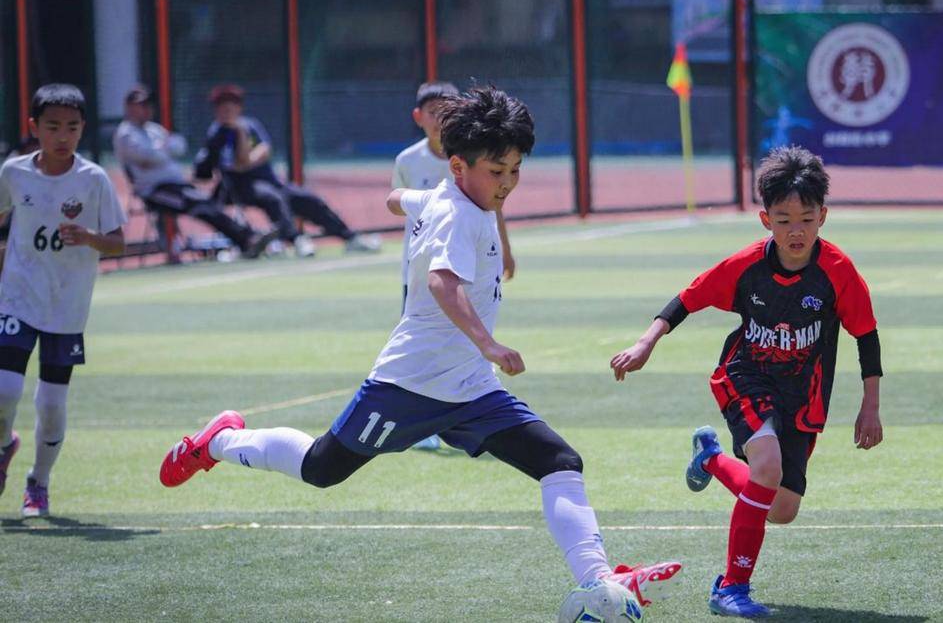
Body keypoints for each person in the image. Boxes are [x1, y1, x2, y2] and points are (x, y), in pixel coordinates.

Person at [159, 87, 682, 606]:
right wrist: (489, 344)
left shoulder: (451, 198)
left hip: (471, 390)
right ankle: (219, 442)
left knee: (559, 460)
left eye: (515, 169)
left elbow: (396, 199)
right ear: (458, 166)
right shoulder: (459, 215)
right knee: (321, 468)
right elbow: (441, 283)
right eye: (496, 171)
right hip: (409, 385)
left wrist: (413, 203)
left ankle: (598, 580)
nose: (507, 183)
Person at [611, 145, 884, 618]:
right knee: (768, 465)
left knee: (781, 508)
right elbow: (688, 298)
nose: (796, 230)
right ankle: (731, 588)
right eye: (783, 220)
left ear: (823, 216)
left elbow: (866, 336)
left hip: (802, 395)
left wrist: (870, 406)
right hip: (746, 376)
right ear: (765, 220)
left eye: (806, 219)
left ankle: (711, 459)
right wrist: (645, 343)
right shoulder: (747, 266)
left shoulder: (838, 272)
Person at [0, 84, 126, 517]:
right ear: (34, 127)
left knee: (51, 404)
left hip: (67, 305)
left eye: (72, 127)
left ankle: (38, 482)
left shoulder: (93, 179)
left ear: (82, 129)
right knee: (4, 389)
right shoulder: (13, 172)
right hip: (17, 297)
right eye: (52, 126)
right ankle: (4, 446)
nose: (62, 136)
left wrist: (89, 237)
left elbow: (118, 243)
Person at [394, 81, 518, 452]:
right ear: (418, 117)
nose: (439, 119)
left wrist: (505, 249)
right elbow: (395, 198)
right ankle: (426, 422)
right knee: (430, 343)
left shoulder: (481, 156)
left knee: (464, 342)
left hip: (474, 263)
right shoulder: (410, 161)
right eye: (433, 112)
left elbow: (494, 207)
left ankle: (468, 412)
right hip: (425, 265)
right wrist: (424, 204)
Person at [194, 84, 380, 257]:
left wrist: (245, 140)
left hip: (269, 181)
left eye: (231, 106)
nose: (227, 111)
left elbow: (263, 151)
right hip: (241, 188)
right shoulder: (217, 134)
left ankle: (349, 237)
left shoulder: (250, 126)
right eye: (222, 108)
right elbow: (239, 164)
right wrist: (241, 140)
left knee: (308, 199)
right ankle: (296, 239)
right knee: (273, 199)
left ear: (239, 108)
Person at [113, 85, 275, 260]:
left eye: (148, 104)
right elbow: (149, 156)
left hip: (177, 185)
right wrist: (165, 149)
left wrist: (161, 150)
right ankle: (247, 240)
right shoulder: (126, 133)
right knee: (200, 206)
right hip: (154, 190)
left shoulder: (154, 130)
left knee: (206, 202)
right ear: (129, 107)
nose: (147, 109)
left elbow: (180, 146)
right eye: (141, 105)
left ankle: (249, 238)